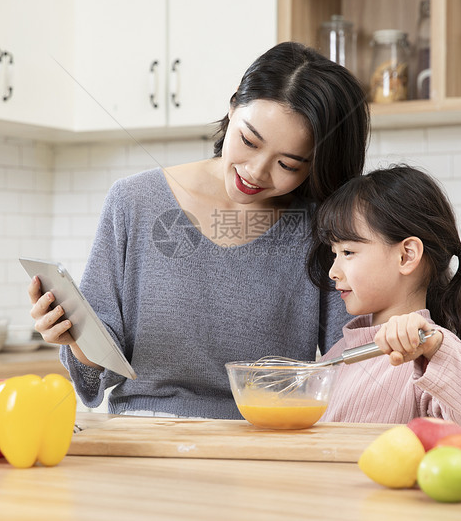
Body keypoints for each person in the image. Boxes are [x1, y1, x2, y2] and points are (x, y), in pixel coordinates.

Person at [29, 41, 370, 419]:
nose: (256, 171)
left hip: (267, 438)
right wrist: (73, 338)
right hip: (147, 432)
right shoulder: (133, 201)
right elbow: (101, 368)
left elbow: (352, 355)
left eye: (287, 164)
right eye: (248, 141)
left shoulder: (318, 227)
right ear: (232, 107)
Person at [306, 164, 461, 429]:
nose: (333, 272)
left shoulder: (430, 352)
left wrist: (435, 349)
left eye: (348, 252)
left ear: (406, 256)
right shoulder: (339, 353)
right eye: (334, 253)